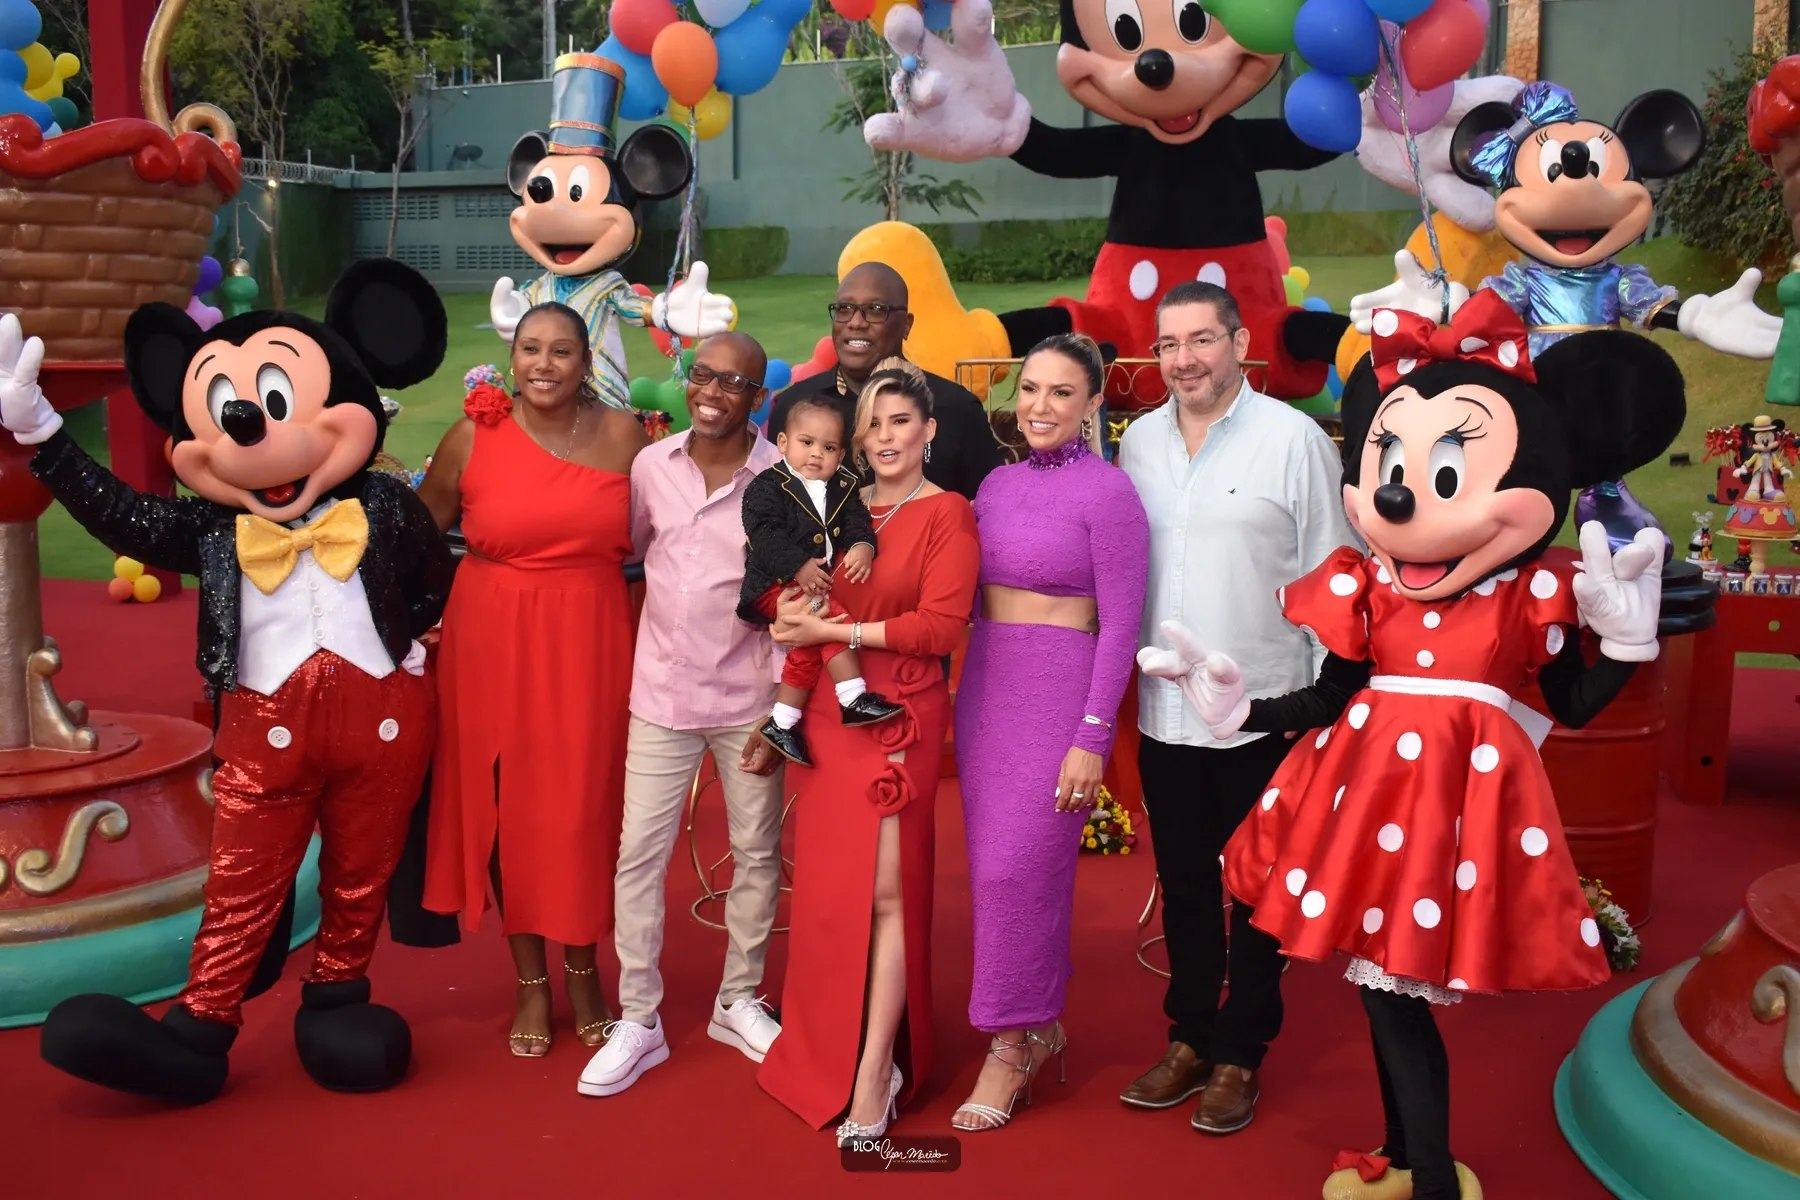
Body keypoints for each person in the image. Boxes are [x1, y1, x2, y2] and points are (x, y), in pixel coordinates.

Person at [1141, 303, 1683, 1200]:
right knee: (1380, 995)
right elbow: (1330, 694)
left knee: (1394, 1000)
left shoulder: (1526, 595)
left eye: (1442, 472)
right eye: (1391, 467)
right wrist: (1241, 708)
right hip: (1365, 814)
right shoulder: (1373, 589)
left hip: (1448, 825)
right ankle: (1403, 1159)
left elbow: (1573, 706)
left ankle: (1428, 1175)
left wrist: (1626, 645)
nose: (1399, 497)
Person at [1114, 280, 1359, 1133]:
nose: (1184, 360)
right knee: (1184, 886)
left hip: (1267, 710)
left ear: (1241, 344)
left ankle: (1241, 1053)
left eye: (1201, 340)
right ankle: (1189, 1038)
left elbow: (1335, 573)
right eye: (1169, 344)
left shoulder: (1295, 442)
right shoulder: (1138, 444)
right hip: (1166, 713)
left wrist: (1325, 707)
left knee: (1260, 897)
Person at [756, 359, 981, 1146]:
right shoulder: (832, 507)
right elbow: (789, 596)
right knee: (828, 893)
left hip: (898, 717)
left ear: (928, 431)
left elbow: (940, 628)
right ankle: (828, 1048)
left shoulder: (947, 512)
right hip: (827, 714)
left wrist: (834, 629)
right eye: (873, 424)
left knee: (888, 896)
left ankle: (875, 1071)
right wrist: (788, 620)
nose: (885, 437)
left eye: (900, 422)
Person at [416, 301, 650, 1057]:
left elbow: (668, 535)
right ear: (511, 358)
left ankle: (583, 968)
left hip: (590, 637)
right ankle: (530, 981)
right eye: (529, 349)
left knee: (581, 806)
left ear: (587, 363)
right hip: (490, 636)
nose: (543, 364)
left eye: (560, 351)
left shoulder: (627, 437)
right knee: (502, 804)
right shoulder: (468, 437)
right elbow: (416, 537)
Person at [577, 331, 789, 1097]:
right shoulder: (650, 466)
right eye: (702, 375)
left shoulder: (783, 477)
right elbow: (634, 552)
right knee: (639, 854)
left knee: (757, 853)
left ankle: (738, 1000)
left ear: (757, 398)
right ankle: (640, 1018)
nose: (712, 392)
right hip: (662, 696)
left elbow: (793, 597)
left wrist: (783, 713)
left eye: (733, 382)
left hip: (750, 701)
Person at [951, 333, 1149, 1131]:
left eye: (1061, 392)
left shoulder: (1110, 493)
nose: (1039, 406)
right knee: (998, 877)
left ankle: (1010, 1045)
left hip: (1061, 702)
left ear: (1094, 402)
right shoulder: (994, 486)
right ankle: (1037, 1024)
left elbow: (1122, 624)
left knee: (1015, 872)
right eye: (1030, 388)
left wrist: (1092, 737)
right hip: (987, 698)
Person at [738, 394, 904, 767]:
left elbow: (857, 521)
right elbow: (764, 535)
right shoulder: (767, 486)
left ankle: (782, 723)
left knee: (809, 647)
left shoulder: (842, 486)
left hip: (810, 585)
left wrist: (862, 545)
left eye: (828, 448)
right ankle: (852, 697)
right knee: (831, 619)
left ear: (840, 455)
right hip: (774, 582)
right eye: (807, 442)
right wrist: (798, 566)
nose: (816, 454)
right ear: (783, 443)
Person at [767, 262, 1003, 501]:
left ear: (906, 325)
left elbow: (991, 507)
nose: (856, 322)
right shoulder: (793, 406)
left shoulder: (957, 408)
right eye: (844, 308)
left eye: (875, 310)